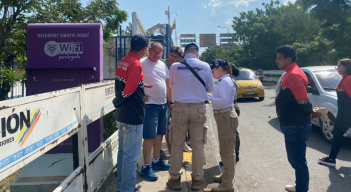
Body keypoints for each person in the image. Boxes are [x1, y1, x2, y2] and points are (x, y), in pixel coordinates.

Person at [167, 43, 214, 191]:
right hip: (198, 108)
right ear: (197, 54)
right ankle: (197, 180)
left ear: (184, 53)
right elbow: (210, 88)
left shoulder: (175, 67)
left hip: (179, 107)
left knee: (177, 145)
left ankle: (174, 179)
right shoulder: (205, 66)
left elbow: (173, 85)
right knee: (198, 145)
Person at [275, 45, 321, 192]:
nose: (276, 61)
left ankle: (301, 188)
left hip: (295, 125)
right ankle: (300, 185)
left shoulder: (293, 74)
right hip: (292, 123)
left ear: (288, 59)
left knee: (297, 160)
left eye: (279, 58)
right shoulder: (290, 72)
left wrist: (310, 112)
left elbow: (303, 101)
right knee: (296, 158)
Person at [113, 34, 152, 192]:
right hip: (133, 116)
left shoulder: (123, 61)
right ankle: (127, 189)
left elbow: (129, 84)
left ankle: (121, 185)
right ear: (144, 49)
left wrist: (142, 87)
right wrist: (125, 98)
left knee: (123, 153)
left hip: (122, 115)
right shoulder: (136, 64)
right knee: (131, 157)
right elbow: (128, 90)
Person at [139, 42, 172, 181]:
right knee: (149, 136)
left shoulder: (162, 65)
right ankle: (146, 166)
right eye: (154, 52)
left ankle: (156, 160)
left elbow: (167, 84)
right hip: (149, 105)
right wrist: (140, 93)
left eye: (160, 52)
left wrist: (171, 102)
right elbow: (133, 81)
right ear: (148, 50)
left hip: (163, 104)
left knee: (160, 134)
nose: (157, 54)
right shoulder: (141, 63)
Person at [207, 59, 238, 192]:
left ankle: (227, 185)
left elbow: (224, 101)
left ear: (220, 68)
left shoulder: (225, 81)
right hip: (223, 116)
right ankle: (226, 176)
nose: (212, 73)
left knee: (227, 151)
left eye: (213, 70)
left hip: (225, 115)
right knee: (225, 149)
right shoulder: (223, 80)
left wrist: (208, 97)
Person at [318, 58, 351, 166]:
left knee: (337, 136)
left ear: (346, 67)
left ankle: (331, 159)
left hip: (345, 113)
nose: (337, 68)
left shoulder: (348, 80)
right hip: (345, 112)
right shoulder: (345, 78)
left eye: (339, 66)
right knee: (337, 135)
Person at [161, 46, 192, 158]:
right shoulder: (161, 63)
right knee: (166, 127)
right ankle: (167, 152)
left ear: (179, 58)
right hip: (163, 99)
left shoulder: (180, 66)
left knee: (179, 124)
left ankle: (181, 145)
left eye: (175, 57)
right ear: (168, 53)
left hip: (176, 99)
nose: (173, 58)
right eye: (172, 55)